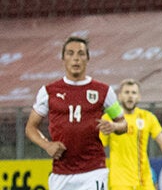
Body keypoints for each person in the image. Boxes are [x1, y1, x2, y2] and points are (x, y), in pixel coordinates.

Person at [25, 36, 128, 190]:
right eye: (70, 53)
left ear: (88, 58)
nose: (76, 59)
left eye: (81, 54)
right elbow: (30, 128)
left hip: (94, 171)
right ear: (63, 58)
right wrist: (47, 145)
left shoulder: (103, 91)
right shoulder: (49, 92)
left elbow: (123, 124)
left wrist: (114, 126)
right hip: (61, 173)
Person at [101, 79, 162, 190]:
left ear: (139, 97)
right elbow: (99, 147)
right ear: (119, 96)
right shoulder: (108, 118)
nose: (130, 96)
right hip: (119, 182)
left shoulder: (148, 117)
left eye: (133, 93)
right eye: (126, 92)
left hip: (144, 181)